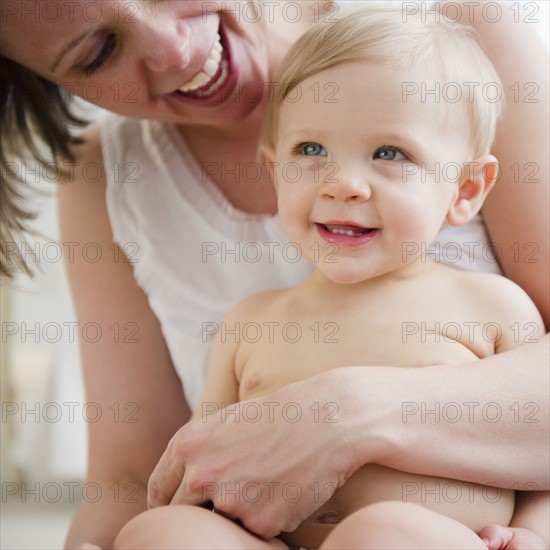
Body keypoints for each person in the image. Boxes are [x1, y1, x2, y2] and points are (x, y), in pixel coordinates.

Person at [0, 1, 547, 549]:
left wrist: (532, 534)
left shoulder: (493, 307)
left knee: (385, 535)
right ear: (274, 168)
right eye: (97, 53)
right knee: (164, 532)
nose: (340, 183)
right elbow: (174, 469)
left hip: (441, 537)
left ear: (468, 189)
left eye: (389, 153)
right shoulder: (250, 323)